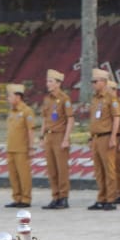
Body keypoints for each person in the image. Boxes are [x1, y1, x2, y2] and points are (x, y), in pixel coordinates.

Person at [39, 69, 74, 210]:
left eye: (50, 81)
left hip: (60, 135)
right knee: (51, 169)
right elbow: (44, 119)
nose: (48, 84)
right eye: (47, 81)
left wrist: (66, 139)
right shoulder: (47, 99)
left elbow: (70, 120)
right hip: (49, 136)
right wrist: (41, 136)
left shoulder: (65, 99)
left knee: (62, 169)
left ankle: (64, 197)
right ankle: (55, 196)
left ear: (58, 83)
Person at [88, 68, 120, 210]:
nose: (93, 84)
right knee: (98, 170)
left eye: (95, 81)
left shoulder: (111, 98)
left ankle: (110, 198)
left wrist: (113, 137)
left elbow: (116, 119)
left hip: (106, 136)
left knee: (109, 169)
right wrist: (90, 137)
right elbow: (93, 120)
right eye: (93, 82)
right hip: (96, 137)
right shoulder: (95, 98)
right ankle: (101, 197)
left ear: (103, 82)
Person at [4, 83, 35, 208]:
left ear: (18, 97)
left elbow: (30, 130)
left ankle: (26, 199)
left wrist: (31, 147)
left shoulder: (27, 111)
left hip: (22, 149)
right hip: (11, 148)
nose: (8, 99)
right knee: (13, 175)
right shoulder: (11, 112)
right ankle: (17, 197)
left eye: (10, 96)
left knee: (24, 175)